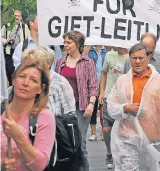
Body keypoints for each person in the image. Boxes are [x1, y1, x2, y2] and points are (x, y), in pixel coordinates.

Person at [107, 43, 160, 171]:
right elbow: (111, 105)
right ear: (130, 59)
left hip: (151, 137)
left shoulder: (159, 82)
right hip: (126, 136)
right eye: (134, 58)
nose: (138, 61)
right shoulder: (122, 81)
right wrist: (125, 108)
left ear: (148, 58)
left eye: (141, 58)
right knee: (128, 168)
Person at [1, 60, 55, 171]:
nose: (25, 83)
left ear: (41, 88)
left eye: (33, 80)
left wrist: (18, 136)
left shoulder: (44, 117)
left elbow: (39, 165)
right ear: (14, 80)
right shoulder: (1, 111)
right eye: (21, 76)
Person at [56, 30, 99, 170]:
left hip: (81, 107)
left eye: (69, 42)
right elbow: (55, 83)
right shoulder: (60, 61)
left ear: (78, 44)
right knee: (63, 141)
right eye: (65, 42)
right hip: (62, 108)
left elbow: (93, 86)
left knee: (80, 143)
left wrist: (91, 104)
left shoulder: (88, 62)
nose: (65, 45)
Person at [21, 46, 76, 116]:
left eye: (36, 64)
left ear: (48, 64)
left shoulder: (60, 83)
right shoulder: (22, 82)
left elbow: (70, 114)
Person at [99, 47, 129, 169]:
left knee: (123, 130)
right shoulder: (109, 55)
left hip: (124, 99)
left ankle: (123, 155)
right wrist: (101, 92)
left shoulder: (132, 57)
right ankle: (109, 152)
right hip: (108, 97)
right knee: (106, 129)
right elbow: (104, 73)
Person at [1, 10, 29, 86]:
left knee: (20, 70)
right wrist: (6, 41)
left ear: (21, 17)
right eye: (15, 15)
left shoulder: (24, 27)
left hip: (21, 52)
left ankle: (18, 86)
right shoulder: (7, 26)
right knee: (9, 70)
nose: (16, 17)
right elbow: (1, 37)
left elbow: (28, 38)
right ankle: (11, 85)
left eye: (18, 16)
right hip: (9, 51)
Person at [87, 45, 107, 141]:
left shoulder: (106, 51)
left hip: (103, 84)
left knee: (103, 109)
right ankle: (93, 133)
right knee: (93, 108)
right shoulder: (90, 50)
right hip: (92, 83)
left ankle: (103, 132)